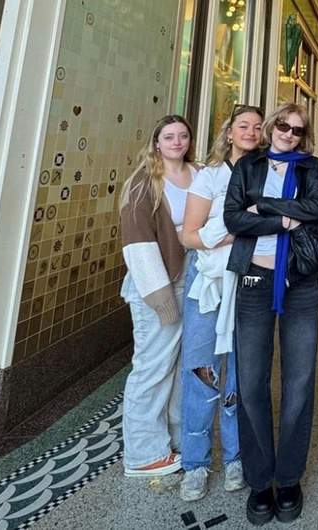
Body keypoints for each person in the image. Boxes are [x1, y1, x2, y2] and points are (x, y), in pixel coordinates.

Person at [223, 103, 318, 525]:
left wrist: (261, 208)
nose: (288, 133)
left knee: (299, 383)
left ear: (304, 137)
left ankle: (288, 479)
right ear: (271, 128)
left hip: (299, 283)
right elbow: (232, 219)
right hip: (254, 280)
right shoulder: (248, 165)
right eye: (283, 125)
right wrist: (282, 220)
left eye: (297, 130)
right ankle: (259, 479)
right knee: (251, 383)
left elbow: (316, 209)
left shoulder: (310, 168)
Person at [177, 104, 265, 501]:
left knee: (241, 371)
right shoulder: (209, 177)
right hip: (209, 281)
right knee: (201, 366)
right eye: (243, 126)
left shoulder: (266, 175)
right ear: (229, 132)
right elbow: (188, 236)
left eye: (257, 127)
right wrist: (229, 230)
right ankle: (196, 462)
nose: (250, 131)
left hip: (249, 279)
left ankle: (234, 455)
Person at [119, 114, 196, 477]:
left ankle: (173, 439)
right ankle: (143, 453)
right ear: (156, 143)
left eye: (182, 136)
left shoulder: (195, 174)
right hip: (157, 288)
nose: (176, 142)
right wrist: (160, 297)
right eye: (169, 137)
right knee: (152, 366)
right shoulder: (143, 184)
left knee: (179, 366)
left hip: (189, 282)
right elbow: (138, 245)